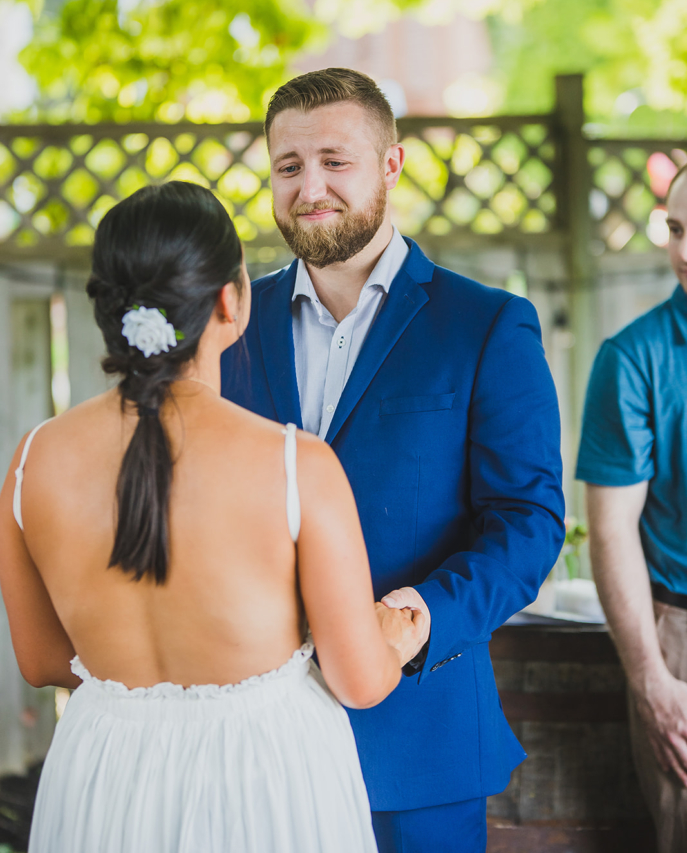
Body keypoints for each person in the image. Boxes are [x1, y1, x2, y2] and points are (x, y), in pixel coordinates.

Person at [0, 181, 424, 853]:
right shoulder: (294, 464)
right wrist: (398, 635)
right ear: (232, 299)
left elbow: (44, 658)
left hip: (105, 779)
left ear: (107, 309)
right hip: (262, 780)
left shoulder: (32, 463)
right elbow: (359, 680)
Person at [221, 67, 566, 853]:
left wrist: (417, 621)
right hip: (251, 743)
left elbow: (528, 522)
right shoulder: (229, 325)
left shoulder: (486, 326)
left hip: (419, 743)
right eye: (288, 166)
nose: (310, 187)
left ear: (390, 165)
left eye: (334, 161)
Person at [578, 164, 687, 853]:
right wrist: (653, 681)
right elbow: (610, 531)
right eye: (676, 229)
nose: (683, 251)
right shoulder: (632, 359)